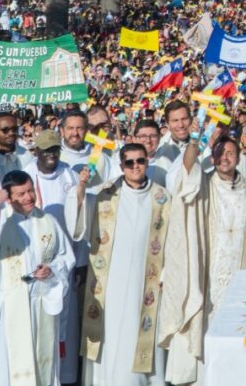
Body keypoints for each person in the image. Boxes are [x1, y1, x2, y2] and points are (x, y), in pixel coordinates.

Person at [160, 134, 246, 386]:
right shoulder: (204, 185)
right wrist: (195, 141)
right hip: (208, 274)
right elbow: (186, 173)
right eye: (219, 153)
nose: (224, 158)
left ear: (239, 158)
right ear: (212, 158)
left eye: (230, 152)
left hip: (240, 274)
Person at [70, 143, 171, 385]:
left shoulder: (162, 197)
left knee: (142, 331)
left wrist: (166, 275)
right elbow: (81, 224)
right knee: (112, 337)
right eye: (129, 162)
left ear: (147, 162)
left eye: (140, 161)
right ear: (121, 166)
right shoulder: (107, 193)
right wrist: (81, 188)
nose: (135, 166)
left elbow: (172, 240)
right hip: (111, 282)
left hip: (146, 281)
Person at [0, 169, 75, 386]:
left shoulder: (47, 220)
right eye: (20, 194)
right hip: (8, 305)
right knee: (8, 367)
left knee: (41, 362)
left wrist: (52, 270)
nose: (28, 197)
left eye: (30, 191)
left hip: (40, 303)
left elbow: (65, 257)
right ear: (8, 197)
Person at [23, 129, 83, 385]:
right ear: (36, 151)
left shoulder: (68, 173)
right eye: (46, 150)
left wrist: (79, 261)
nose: (51, 155)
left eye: (55, 150)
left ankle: (64, 376)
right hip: (33, 260)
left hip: (62, 258)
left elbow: (79, 220)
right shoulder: (26, 174)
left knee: (64, 324)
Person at [149, 100, 193, 193]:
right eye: (175, 120)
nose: (181, 125)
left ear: (191, 119)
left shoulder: (204, 143)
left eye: (184, 119)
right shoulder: (160, 152)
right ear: (167, 124)